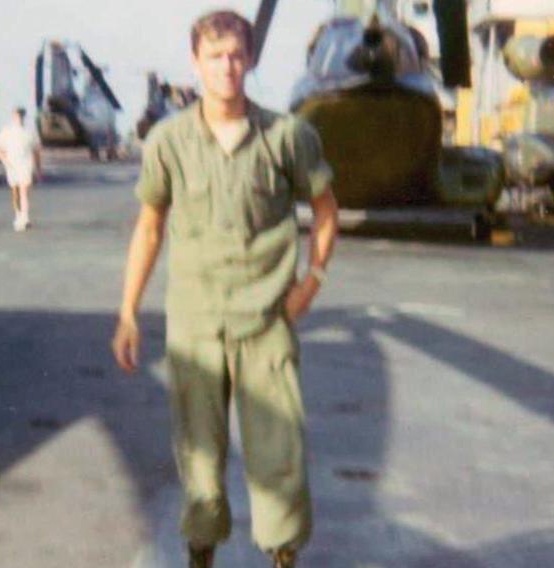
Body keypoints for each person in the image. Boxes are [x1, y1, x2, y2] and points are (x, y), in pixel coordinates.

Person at [111, 10, 339, 568]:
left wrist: (312, 280)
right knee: (199, 455)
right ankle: (201, 553)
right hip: (196, 324)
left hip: (266, 322)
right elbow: (149, 227)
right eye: (215, 56)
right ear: (196, 63)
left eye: (237, 55)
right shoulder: (168, 140)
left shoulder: (288, 136)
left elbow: (327, 210)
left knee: (278, 454)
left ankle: (283, 557)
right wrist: (128, 312)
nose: (227, 67)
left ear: (251, 59)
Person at [0, 107, 42, 231]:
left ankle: (25, 218)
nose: (19, 118)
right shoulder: (7, 131)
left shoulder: (30, 131)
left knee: (24, 190)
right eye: (17, 116)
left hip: (25, 163)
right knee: (15, 191)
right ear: (13, 117)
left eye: (21, 116)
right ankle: (18, 215)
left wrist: (38, 168)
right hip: (12, 164)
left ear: (24, 117)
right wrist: (4, 160)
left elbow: (36, 150)